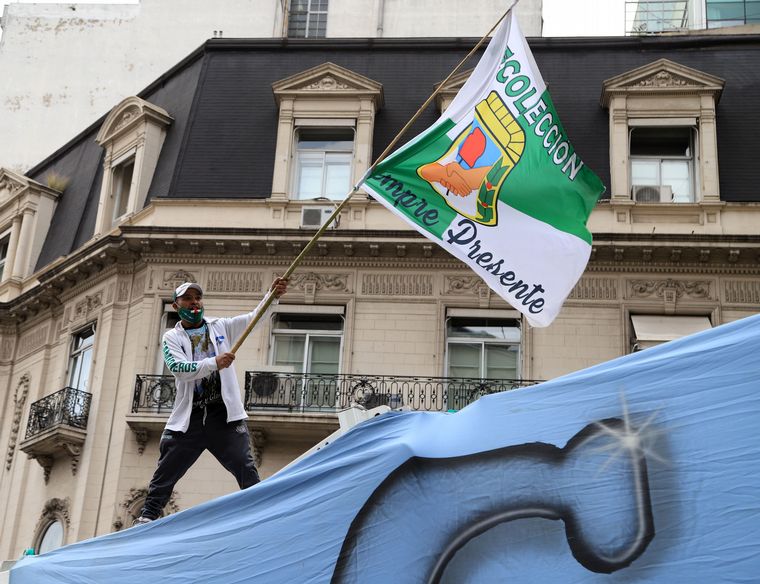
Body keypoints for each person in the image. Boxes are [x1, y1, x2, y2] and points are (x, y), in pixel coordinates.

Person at [134, 277, 288, 525]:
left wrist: (272, 296)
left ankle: (261, 510)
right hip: (191, 416)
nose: (194, 304)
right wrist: (214, 363)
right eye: (187, 299)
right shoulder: (171, 338)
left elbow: (254, 319)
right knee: (167, 470)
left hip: (223, 415)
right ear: (176, 306)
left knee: (245, 466)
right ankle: (147, 517)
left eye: (197, 298)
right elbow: (179, 368)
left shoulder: (220, 326)